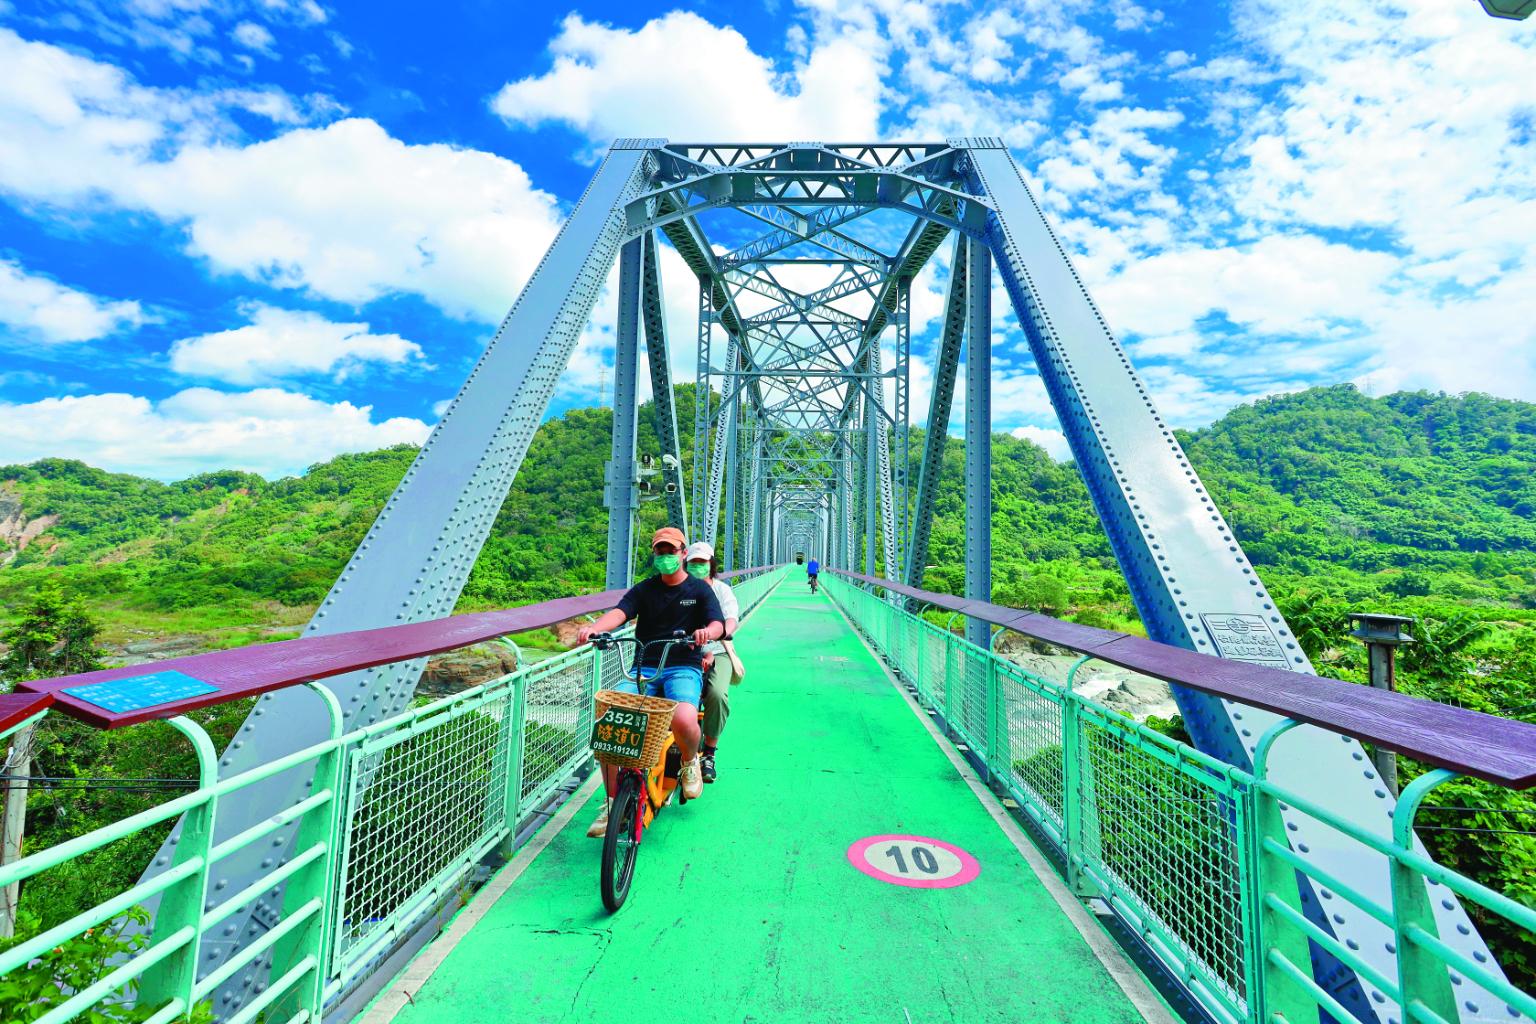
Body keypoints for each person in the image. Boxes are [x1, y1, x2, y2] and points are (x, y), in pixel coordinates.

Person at [578, 527, 723, 838]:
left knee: (683, 717)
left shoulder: (699, 590)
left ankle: (689, 762)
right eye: (661, 551)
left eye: (671, 551)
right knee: (609, 719)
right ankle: (612, 802)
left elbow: (717, 623)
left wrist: (706, 633)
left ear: (683, 554)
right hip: (644, 667)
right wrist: (595, 629)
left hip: (682, 666)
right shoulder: (645, 589)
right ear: (654, 554)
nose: (666, 557)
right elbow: (620, 612)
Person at [684, 543, 742, 784]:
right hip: (684, 652)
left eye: (702, 562)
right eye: (693, 562)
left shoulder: (721, 591)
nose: (698, 566)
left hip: (718, 651)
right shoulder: (679, 589)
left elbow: (730, 620)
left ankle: (709, 753)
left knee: (717, 694)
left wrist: (719, 635)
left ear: (711, 564)